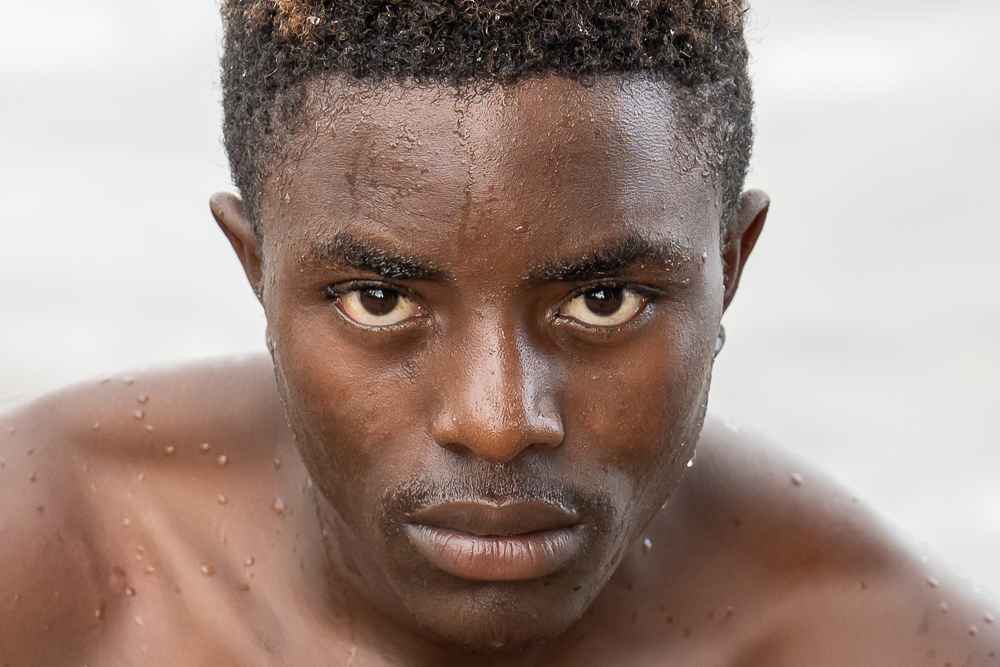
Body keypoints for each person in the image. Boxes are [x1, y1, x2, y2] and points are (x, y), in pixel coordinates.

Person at [1, 0, 996, 664]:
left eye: (602, 301)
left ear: (729, 267)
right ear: (256, 269)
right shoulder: (54, 569)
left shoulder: (883, 642)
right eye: (379, 301)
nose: (497, 420)